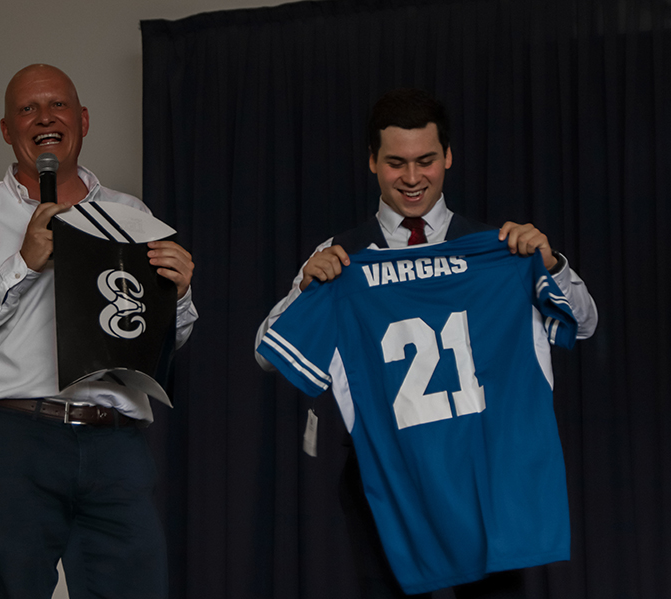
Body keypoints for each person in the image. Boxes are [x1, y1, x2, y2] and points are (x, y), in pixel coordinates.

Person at [255, 88, 597, 598]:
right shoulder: (341, 258)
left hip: (485, 463)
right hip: (387, 465)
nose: (412, 178)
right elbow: (268, 352)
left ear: (448, 157)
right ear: (372, 162)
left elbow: (584, 323)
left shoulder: (499, 248)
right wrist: (305, 291)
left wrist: (551, 266)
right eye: (396, 163)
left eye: (425, 161)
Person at [0, 64, 197, 599]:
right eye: (27, 108)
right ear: (6, 129)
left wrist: (179, 299)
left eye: (58, 105)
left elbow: (159, 343)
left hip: (115, 443)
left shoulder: (130, 214)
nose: (44, 118)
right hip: (16, 440)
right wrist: (20, 265)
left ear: (83, 120)